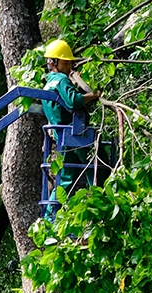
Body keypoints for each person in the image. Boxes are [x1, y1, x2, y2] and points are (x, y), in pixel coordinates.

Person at [41, 38, 100, 217]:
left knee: (65, 179)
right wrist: (93, 95)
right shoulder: (60, 80)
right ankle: (101, 204)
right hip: (75, 134)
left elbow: (64, 103)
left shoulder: (49, 83)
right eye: (66, 62)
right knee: (96, 166)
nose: (69, 66)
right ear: (54, 63)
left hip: (61, 138)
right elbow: (74, 101)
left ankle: (50, 217)